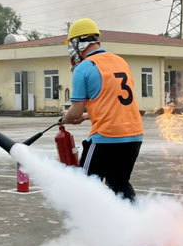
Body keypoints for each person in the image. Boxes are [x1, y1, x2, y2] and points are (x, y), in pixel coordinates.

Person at [60, 17, 143, 201]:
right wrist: (87, 115)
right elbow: (115, 103)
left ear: (78, 43)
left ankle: (89, 227)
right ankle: (136, 224)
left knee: (85, 186)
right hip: (134, 136)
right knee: (119, 183)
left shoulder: (84, 68)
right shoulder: (120, 62)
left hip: (106, 138)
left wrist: (67, 117)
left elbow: (73, 112)